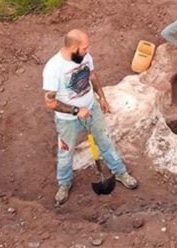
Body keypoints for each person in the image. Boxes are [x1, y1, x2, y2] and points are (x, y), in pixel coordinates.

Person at [42, 29, 139, 206]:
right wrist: (75, 111)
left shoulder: (84, 57)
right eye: (84, 48)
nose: (88, 51)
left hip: (92, 109)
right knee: (65, 153)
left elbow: (92, 76)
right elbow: (49, 102)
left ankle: (120, 172)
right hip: (68, 120)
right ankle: (64, 183)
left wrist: (101, 97)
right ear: (73, 48)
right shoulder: (54, 68)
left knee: (105, 141)